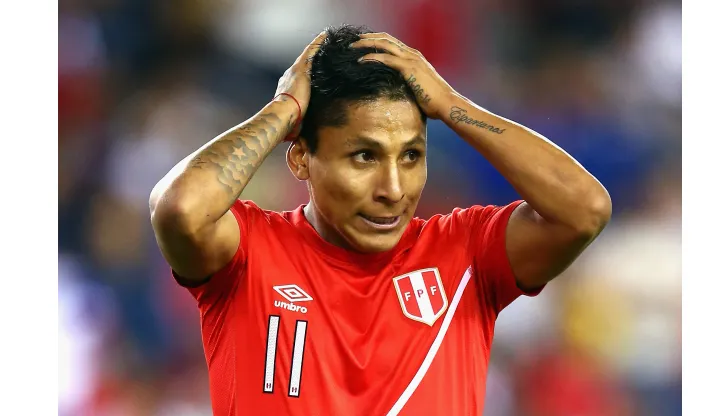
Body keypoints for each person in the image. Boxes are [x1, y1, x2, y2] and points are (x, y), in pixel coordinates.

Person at [149, 25, 612, 416]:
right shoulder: (248, 252)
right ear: (301, 159)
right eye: (364, 156)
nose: (394, 188)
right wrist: (284, 109)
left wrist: (452, 105)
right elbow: (179, 209)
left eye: (411, 155)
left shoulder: (465, 253)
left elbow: (583, 209)